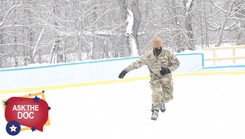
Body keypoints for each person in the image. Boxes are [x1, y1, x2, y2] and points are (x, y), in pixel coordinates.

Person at [118, 35, 180, 120]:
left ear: (161, 46)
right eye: (155, 48)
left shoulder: (167, 53)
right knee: (157, 91)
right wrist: (125, 71)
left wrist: (168, 70)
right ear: (153, 47)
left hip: (166, 78)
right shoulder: (148, 57)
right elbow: (137, 63)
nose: (157, 49)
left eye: (159, 47)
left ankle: (162, 101)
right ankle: (155, 110)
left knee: (169, 97)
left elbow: (177, 63)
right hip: (155, 79)